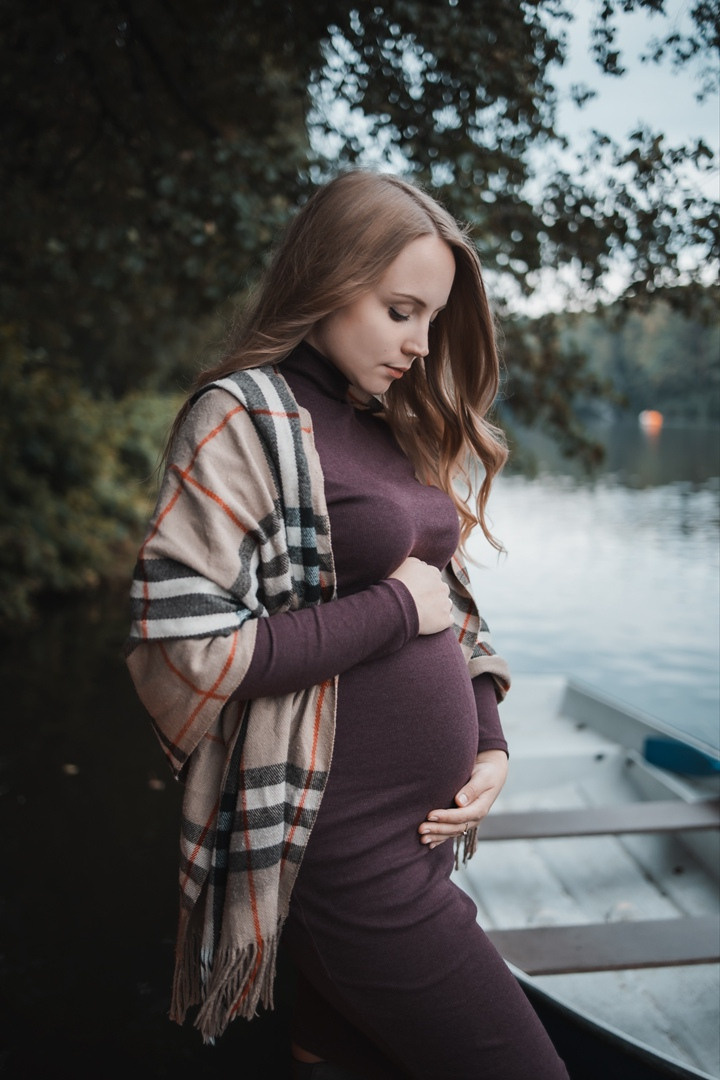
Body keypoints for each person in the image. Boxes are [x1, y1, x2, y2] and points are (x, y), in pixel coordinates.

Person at [126, 169, 569, 1079]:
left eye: (433, 319)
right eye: (400, 308)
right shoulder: (242, 418)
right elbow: (187, 647)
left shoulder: (390, 420)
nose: (418, 342)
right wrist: (392, 608)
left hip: (421, 843)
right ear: (329, 279)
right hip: (344, 854)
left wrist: (487, 738)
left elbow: (448, 595)